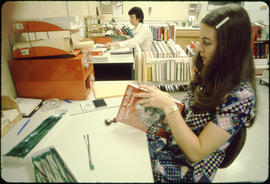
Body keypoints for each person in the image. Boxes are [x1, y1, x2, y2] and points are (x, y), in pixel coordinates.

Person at [134, 4, 256, 183]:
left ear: (231, 45)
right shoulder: (210, 68)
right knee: (129, 139)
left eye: (207, 42)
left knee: (133, 165)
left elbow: (196, 153)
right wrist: (167, 101)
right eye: (200, 41)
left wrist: (169, 107)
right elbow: (188, 113)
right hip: (174, 143)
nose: (200, 49)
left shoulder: (241, 96)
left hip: (189, 170)